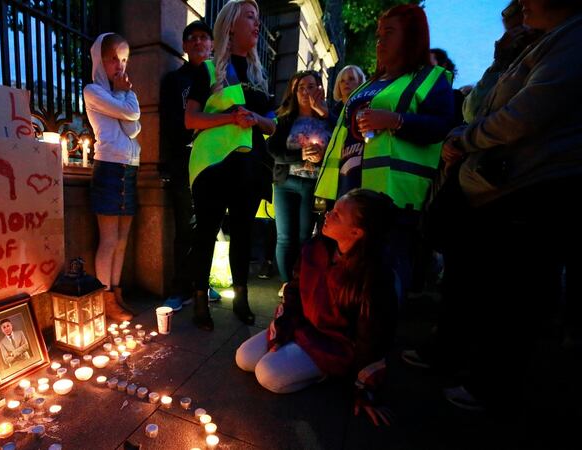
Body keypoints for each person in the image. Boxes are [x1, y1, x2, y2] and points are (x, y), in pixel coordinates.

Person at [432, 0, 582, 412]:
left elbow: (524, 115)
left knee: (515, 290)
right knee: (487, 282)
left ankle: (493, 385)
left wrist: (467, 139)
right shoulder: (530, 52)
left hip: (534, 184)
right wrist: (501, 62)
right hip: (496, 185)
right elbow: (475, 106)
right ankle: (471, 366)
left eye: (521, 10)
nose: (521, 11)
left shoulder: (570, 43)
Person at [314, 4, 455, 298]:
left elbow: (441, 126)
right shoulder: (368, 84)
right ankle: (342, 332)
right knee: (345, 271)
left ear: (412, 37)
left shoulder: (430, 78)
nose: (380, 41)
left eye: (389, 33)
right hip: (349, 190)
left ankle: (376, 339)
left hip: (393, 198)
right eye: (378, 34)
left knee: (384, 275)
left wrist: (395, 121)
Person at [235, 189, 398, 425]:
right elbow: (293, 292)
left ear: (357, 232)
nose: (328, 215)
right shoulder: (316, 249)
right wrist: (282, 331)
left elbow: (373, 339)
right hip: (304, 325)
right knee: (244, 358)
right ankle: (294, 351)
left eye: (338, 216)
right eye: (333, 209)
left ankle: (326, 373)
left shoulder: (374, 277)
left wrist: (366, 390)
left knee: (267, 374)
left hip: (335, 344)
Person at [185, 0, 276, 330]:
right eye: (250, 17)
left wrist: (254, 118)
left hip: (249, 165)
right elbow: (190, 118)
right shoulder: (209, 70)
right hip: (212, 165)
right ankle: (199, 300)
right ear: (230, 25)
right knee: (206, 232)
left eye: (257, 18)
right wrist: (229, 118)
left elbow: (273, 125)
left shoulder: (257, 76)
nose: (256, 24)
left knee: (242, 233)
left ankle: (242, 298)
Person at [159, 20, 222, 312]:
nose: (198, 42)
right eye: (192, 38)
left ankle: (200, 283)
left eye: (204, 38)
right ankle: (179, 288)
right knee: (185, 227)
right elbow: (169, 125)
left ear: (212, 44)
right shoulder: (174, 81)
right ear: (184, 46)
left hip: (213, 162)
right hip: (184, 162)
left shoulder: (220, 79)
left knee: (207, 227)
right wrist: (168, 165)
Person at [84, 32, 141, 321]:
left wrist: (124, 96)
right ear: (99, 60)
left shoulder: (123, 92)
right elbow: (131, 116)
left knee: (122, 239)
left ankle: (116, 293)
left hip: (129, 168)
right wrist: (122, 96)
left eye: (124, 59)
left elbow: (132, 128)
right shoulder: (93, 91)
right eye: (113, 59)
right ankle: (104, 298)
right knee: (108, 239)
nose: (120, 66)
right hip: (107, 168)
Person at [266, 70, 331, 299]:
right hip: (286, 183)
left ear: (319, 89)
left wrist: (321, 156)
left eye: (311, 86)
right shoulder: (285, 118)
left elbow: (338, 148)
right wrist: (300, 155)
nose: (305, 91)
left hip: (313, 185)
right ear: (294, 91)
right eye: (301, 87)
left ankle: (300, 280)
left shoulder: (328, 118)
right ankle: (286, 283)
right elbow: (272, 150)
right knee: (285, 236)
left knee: (305, 236)